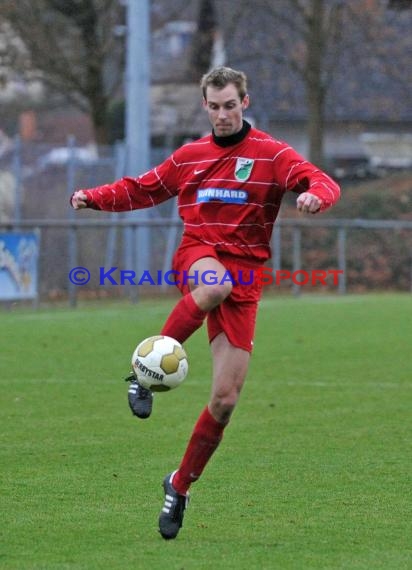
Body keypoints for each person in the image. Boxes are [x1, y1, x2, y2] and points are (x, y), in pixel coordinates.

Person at [71, 66, 340, 540]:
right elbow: (142, 187)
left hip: (247, 279)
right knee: (214, 286)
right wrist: (94, 197)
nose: (221, 115)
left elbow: (320, 179)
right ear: (205, 106)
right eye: (214, 107)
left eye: (229, 105)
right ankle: (141, 372)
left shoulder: (272, 154)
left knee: (225, 400)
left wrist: (316, 196)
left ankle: (179, 485)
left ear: (245, 102)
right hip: (200, 256)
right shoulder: (190, 156)